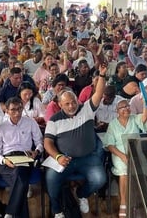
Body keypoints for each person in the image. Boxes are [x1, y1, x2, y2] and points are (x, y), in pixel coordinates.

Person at [44, 64, 109, 218]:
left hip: (88, 158)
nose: (72, 105)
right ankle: (57, 210)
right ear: (60, 105)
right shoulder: (54, 120)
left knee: (100, 179)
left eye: (73, 101)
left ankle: (81, 194)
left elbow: (99, 93)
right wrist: (58, 157)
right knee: (50, 179)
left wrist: (102, 75)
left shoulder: (86, 109)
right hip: (64, 159)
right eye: (67, 104)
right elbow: (48, 143)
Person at [0, 97, 43, 218]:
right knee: (21, 183)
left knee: (20, 174)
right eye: (13, 110)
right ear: (7, 111)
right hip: (7, 161)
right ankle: (10, 213)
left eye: (20, 109)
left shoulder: (30, 122)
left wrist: (36, 151)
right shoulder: (1, 127)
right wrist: (4, 160)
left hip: (25, 157)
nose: (17, 113)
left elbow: (40, 141)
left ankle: (10, 212)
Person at [104, 98, 147, 217]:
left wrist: (146, 102)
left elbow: (146, 116)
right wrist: (123, 156)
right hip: (119, 154)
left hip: (136, 152)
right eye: (123, 107)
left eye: (128, 106)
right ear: (117, 111)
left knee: (139, 167)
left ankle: (142, 202)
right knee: (124, 171)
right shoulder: (113, 124)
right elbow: (109, 144)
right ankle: (124, 203)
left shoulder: (135, 118)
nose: (126, 109)